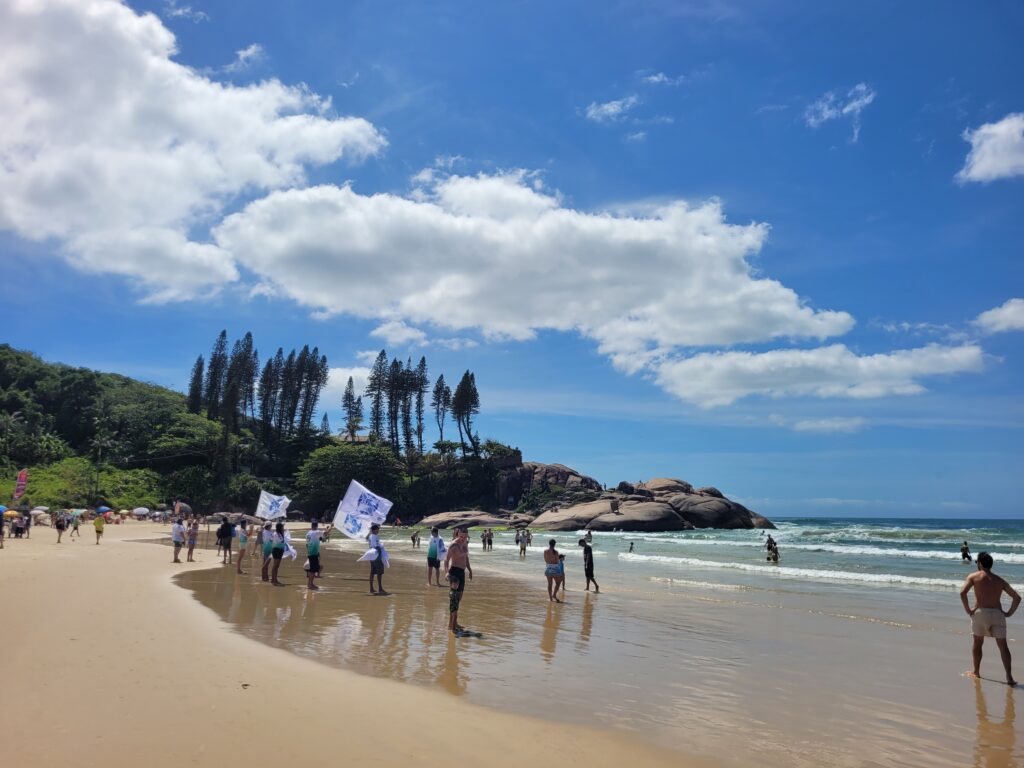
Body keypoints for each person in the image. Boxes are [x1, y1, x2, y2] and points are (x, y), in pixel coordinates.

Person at [960, 552, 1020, 686]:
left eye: (977, 562)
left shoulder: (974, 577)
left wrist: (968, 610)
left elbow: (962, 592)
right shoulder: (999, 580)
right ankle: (1009, 677)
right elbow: (1017, 597)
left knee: (977, 643)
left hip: (980, 613)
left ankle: (976, 671)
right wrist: (1009, 613)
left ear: (980, 563)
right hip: (997, 614)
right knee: (1003, 646)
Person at [444, 528, 473, 634]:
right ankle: (450, 624)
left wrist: (469, 570)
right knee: (454, 600)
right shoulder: (454, 545)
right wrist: (446, 572)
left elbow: (466, 557)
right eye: (461, 536)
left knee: (458, 599)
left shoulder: (465, 543)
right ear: (457, 535)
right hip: (454, 573)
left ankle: (454, 623)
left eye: (465, 537)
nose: (463, 539)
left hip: (462, 573)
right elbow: (446, 559)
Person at [304, 521, 331, 590]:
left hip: (310, 553)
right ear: (316, 526)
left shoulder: (308, 534)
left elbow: (307, 544)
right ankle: (310, 585)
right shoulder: (316, 532)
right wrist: (330, 527)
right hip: (313, 554)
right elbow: (326, 533)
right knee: (313, 570)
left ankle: (311, 583)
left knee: (312, 569)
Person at [368, 523, 387, 595]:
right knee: (379, 572)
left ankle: (371, 588)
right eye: (378, 529)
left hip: (372, 555)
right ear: (375, 530)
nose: (378, 531)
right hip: (376, 555)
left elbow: (372, 545)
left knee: (372, 572)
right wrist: (381, 546)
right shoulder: (374, 536)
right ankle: (380, 588)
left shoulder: (371, 536)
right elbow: (375, 546)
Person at [269, 522, 287, 586]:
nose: (283, 528)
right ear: (280, 528)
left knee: (277, 566)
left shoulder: (280, 534)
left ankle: (275, 579)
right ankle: (273, 579)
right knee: (275, 566)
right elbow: (281, 541)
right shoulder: (276, 534)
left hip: (279, 550)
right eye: (282, 527)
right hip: (276, 550)